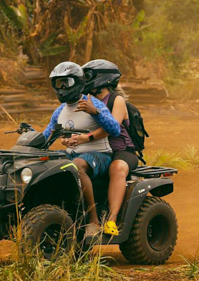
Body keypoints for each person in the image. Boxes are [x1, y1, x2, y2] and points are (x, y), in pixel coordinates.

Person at [43, 61, 121, 235]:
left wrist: (95, 112)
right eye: (58, 83)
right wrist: (29, 136)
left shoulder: (93, 103)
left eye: (66, 82)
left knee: (76, 166)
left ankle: (93, 221)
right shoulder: (60, 111)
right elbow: (46, 135)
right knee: (44, 163)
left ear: (78, 82)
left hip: (100, 155)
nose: (62, 87)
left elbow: (115, 129)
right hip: (72, 154)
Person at [71, 59, 139, 236]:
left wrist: (86, 138)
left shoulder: (117, 101)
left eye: (88, 76)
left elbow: (111, 129)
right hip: (99, 150)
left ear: (103, 79)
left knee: (117, 168)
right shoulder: (86, 100)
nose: (84, 80)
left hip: (123, 151)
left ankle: (111, 220)